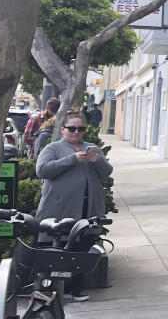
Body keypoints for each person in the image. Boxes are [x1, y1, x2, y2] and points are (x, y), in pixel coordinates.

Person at [36, 113, 113, 303]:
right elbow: (42, 170)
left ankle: (75, 288)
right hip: (60, 210)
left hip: (88, 209)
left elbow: (106, 172)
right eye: (72, 128)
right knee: (60, 250)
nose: (76, 132)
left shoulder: (92, 148)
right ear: (63, 129)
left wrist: (97, 160)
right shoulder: (53, 148)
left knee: (82, 250)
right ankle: (53, 289)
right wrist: (73, 159)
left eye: (80, 128)